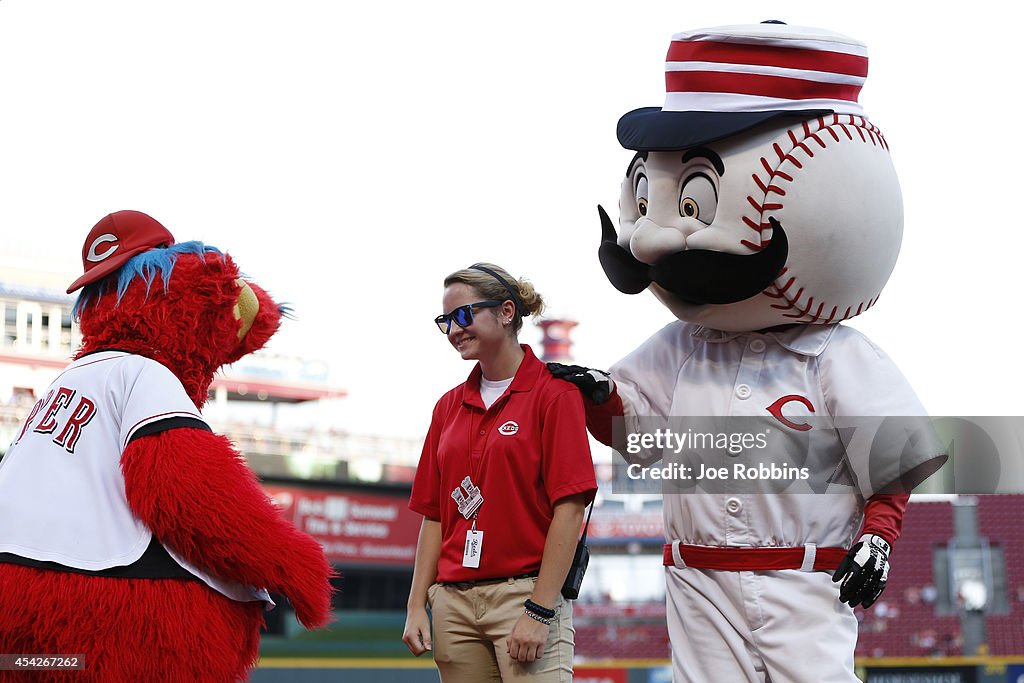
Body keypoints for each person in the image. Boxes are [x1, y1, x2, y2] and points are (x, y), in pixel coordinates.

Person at [402, 263, 596, 682]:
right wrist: (416, 604)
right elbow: (434, 515)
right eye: (446, 321)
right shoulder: (447, 407)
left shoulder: (556, 394)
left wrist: (540, 610)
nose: (454, 330)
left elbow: (570, 508)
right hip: (453, 603)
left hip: (525, 596)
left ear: (507, 312)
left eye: (463, 315)